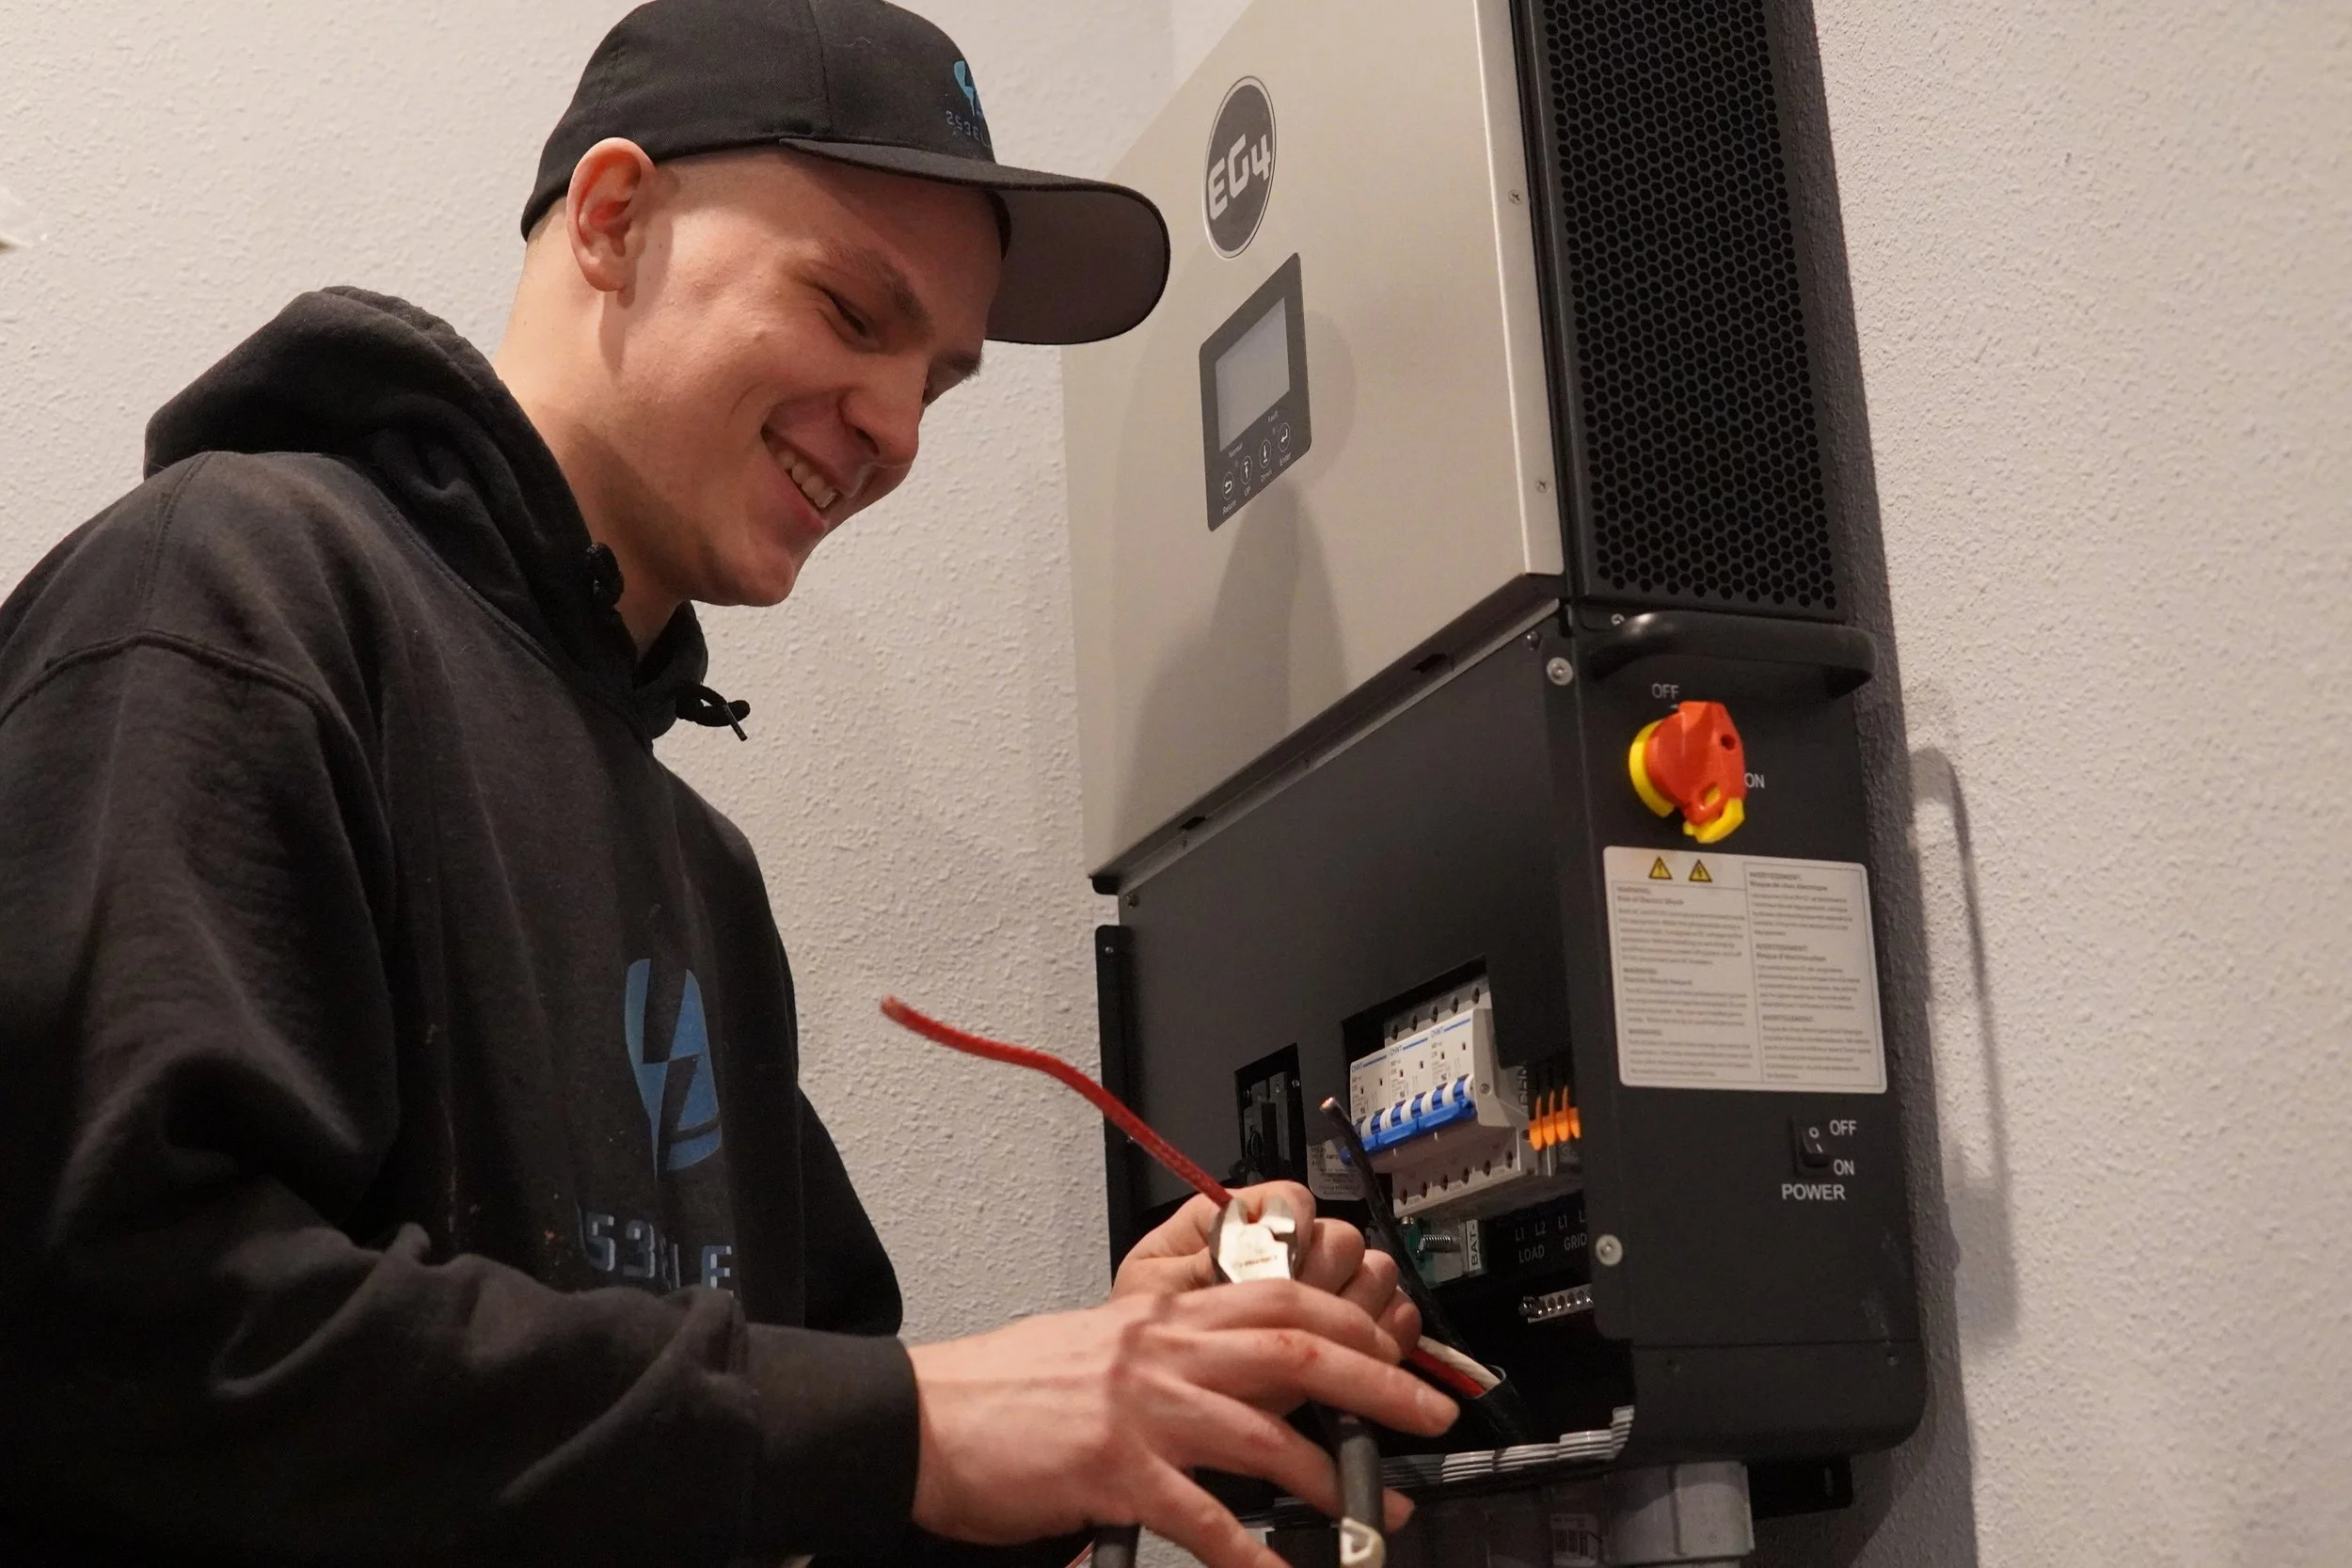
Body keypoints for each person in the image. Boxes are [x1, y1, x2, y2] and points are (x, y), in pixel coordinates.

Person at [0, 0, 1456, 1564]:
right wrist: (917, 1419)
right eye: (850, 309)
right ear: (615, 220)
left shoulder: (699, 872)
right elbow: (112, 1333)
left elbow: (808, 1464)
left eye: (940, 380)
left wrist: (1136, 1379)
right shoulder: (230, 596)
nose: (896, 429)